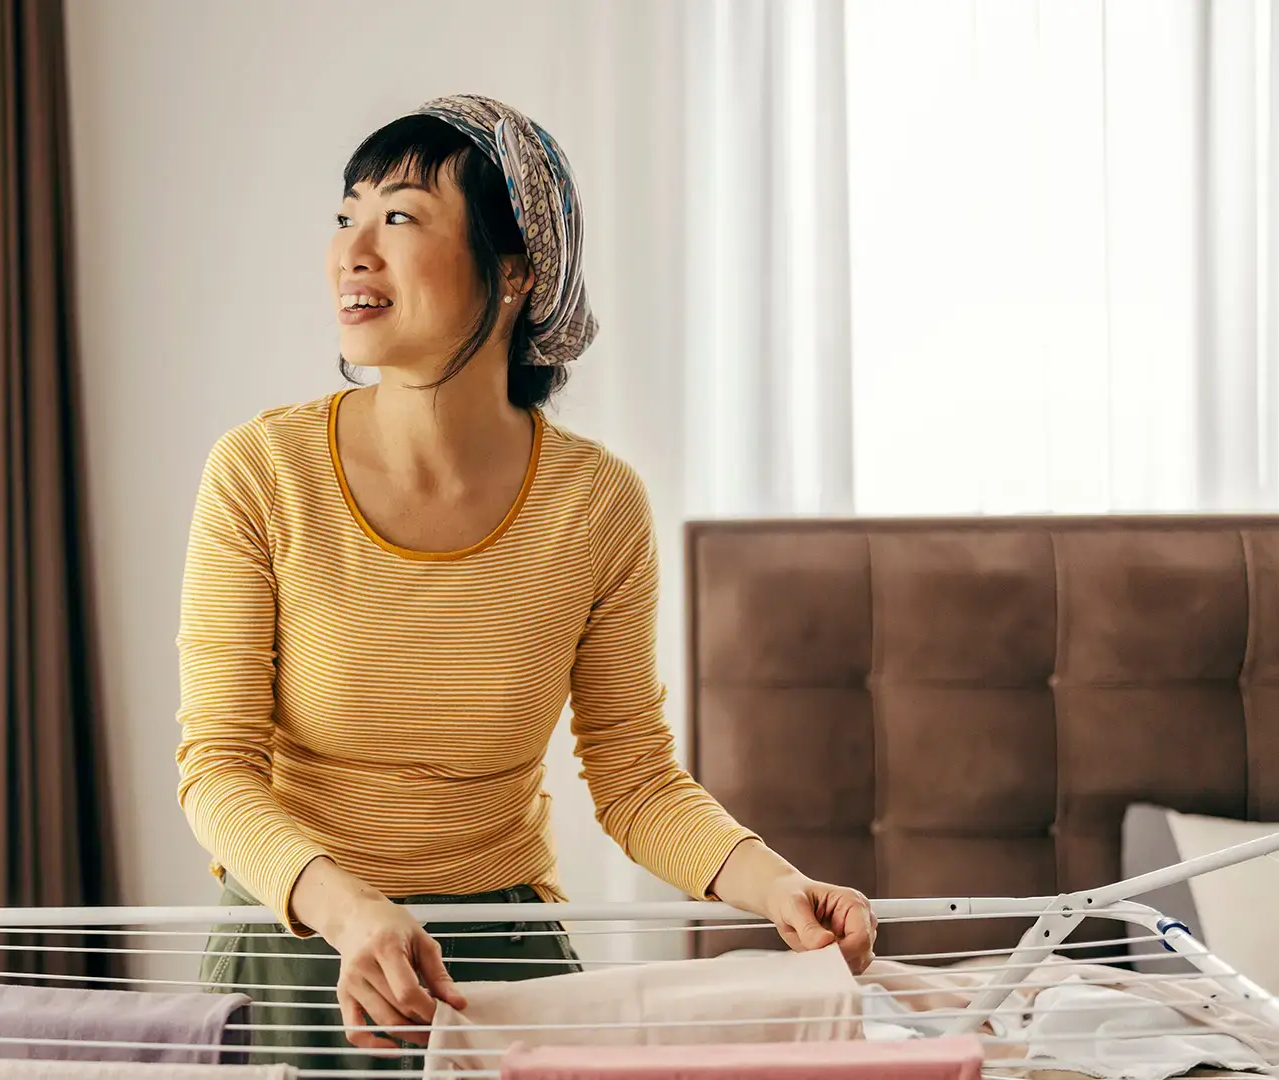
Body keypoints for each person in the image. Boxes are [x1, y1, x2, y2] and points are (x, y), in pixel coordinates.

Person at [174, 94, 877, 1072]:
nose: (353, 251)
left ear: (515, 275)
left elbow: (633, 776)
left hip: (497, 972)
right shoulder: (260, 472)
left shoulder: (596, 505)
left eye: (402, 217)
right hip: (299, 955)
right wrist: (350, 910)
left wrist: (777, 885)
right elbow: (217, 768)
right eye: (347, 215)